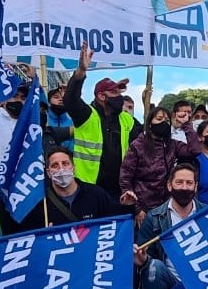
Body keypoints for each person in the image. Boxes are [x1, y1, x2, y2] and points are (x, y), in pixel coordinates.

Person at [133, 164, 204, 289]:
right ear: (169, 185)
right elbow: (142, 252)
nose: (184, 187)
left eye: (189, 183)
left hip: (203, 281)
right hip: (171, 281)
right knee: (153, 268)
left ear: (196, 187)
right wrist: (141, 260)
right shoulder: (154, 217)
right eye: (179, 182)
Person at [63, 42, 140, 197]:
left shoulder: (127, 120)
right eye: (114, 93)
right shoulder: (87, 115)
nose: (120, 96)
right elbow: (70, 100)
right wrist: (80, 73)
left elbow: (145, 140)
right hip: (89, 190)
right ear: (101, 96)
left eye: (120, 92)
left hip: (120, 191)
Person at [120, 106, 201, 225]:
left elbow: (195, 150)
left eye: (167, 120)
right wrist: (137, 210)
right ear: (150, 123)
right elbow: (125, 177)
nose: (163, 122)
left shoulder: (172, 145)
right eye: (159, 119)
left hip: (166, 208)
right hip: (143, 208)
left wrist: (186, 125)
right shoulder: (137, 145)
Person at [21, 147, 137, 229]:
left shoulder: (94, 194)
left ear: (73, 168)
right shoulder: (41, 202)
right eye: (55, 165)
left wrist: (127, 206)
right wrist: (43, 235)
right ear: (48, 173)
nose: (61, 169)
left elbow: (118, 223)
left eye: (65, 163)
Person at [46, 85, 74, 150]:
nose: (61, 99)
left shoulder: (72, 121)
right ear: (48, 101)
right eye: (56, 97)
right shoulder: (44, 119)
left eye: (63, 97)